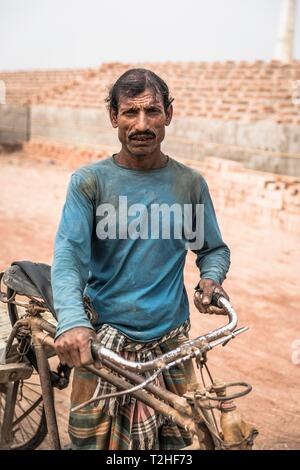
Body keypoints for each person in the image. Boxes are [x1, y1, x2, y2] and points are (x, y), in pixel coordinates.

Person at [51, 68, 231, 450]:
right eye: (130, 113)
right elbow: (69, 256)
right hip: (104, 343)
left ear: (169, 112)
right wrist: (71, 321)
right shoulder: (90, 182)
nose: (142, 124)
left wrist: (210, 279)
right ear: (114, 117)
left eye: (152, 111)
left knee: (174, 445)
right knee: (93, 445)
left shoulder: (188, 184)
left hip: (170, 344)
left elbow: (212, 248)